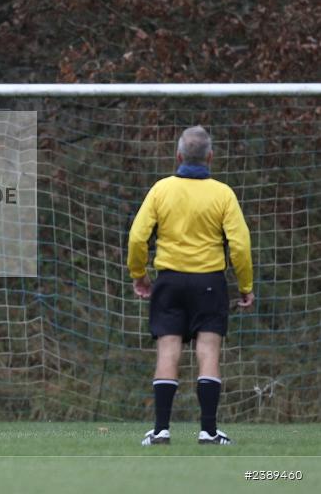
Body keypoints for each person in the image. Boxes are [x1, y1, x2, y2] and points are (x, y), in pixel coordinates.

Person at [128, 126, 254, 446]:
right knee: (208, 350)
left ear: (178, 156)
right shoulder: (222, 194)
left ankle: (161, 430)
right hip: (209, 282)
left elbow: (138, 237)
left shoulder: (161, 189)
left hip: (169, 280)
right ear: (210, 157)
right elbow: (240, 245)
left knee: (168, 349)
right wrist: (245, 284)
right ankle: (208, 432)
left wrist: (139, 274)